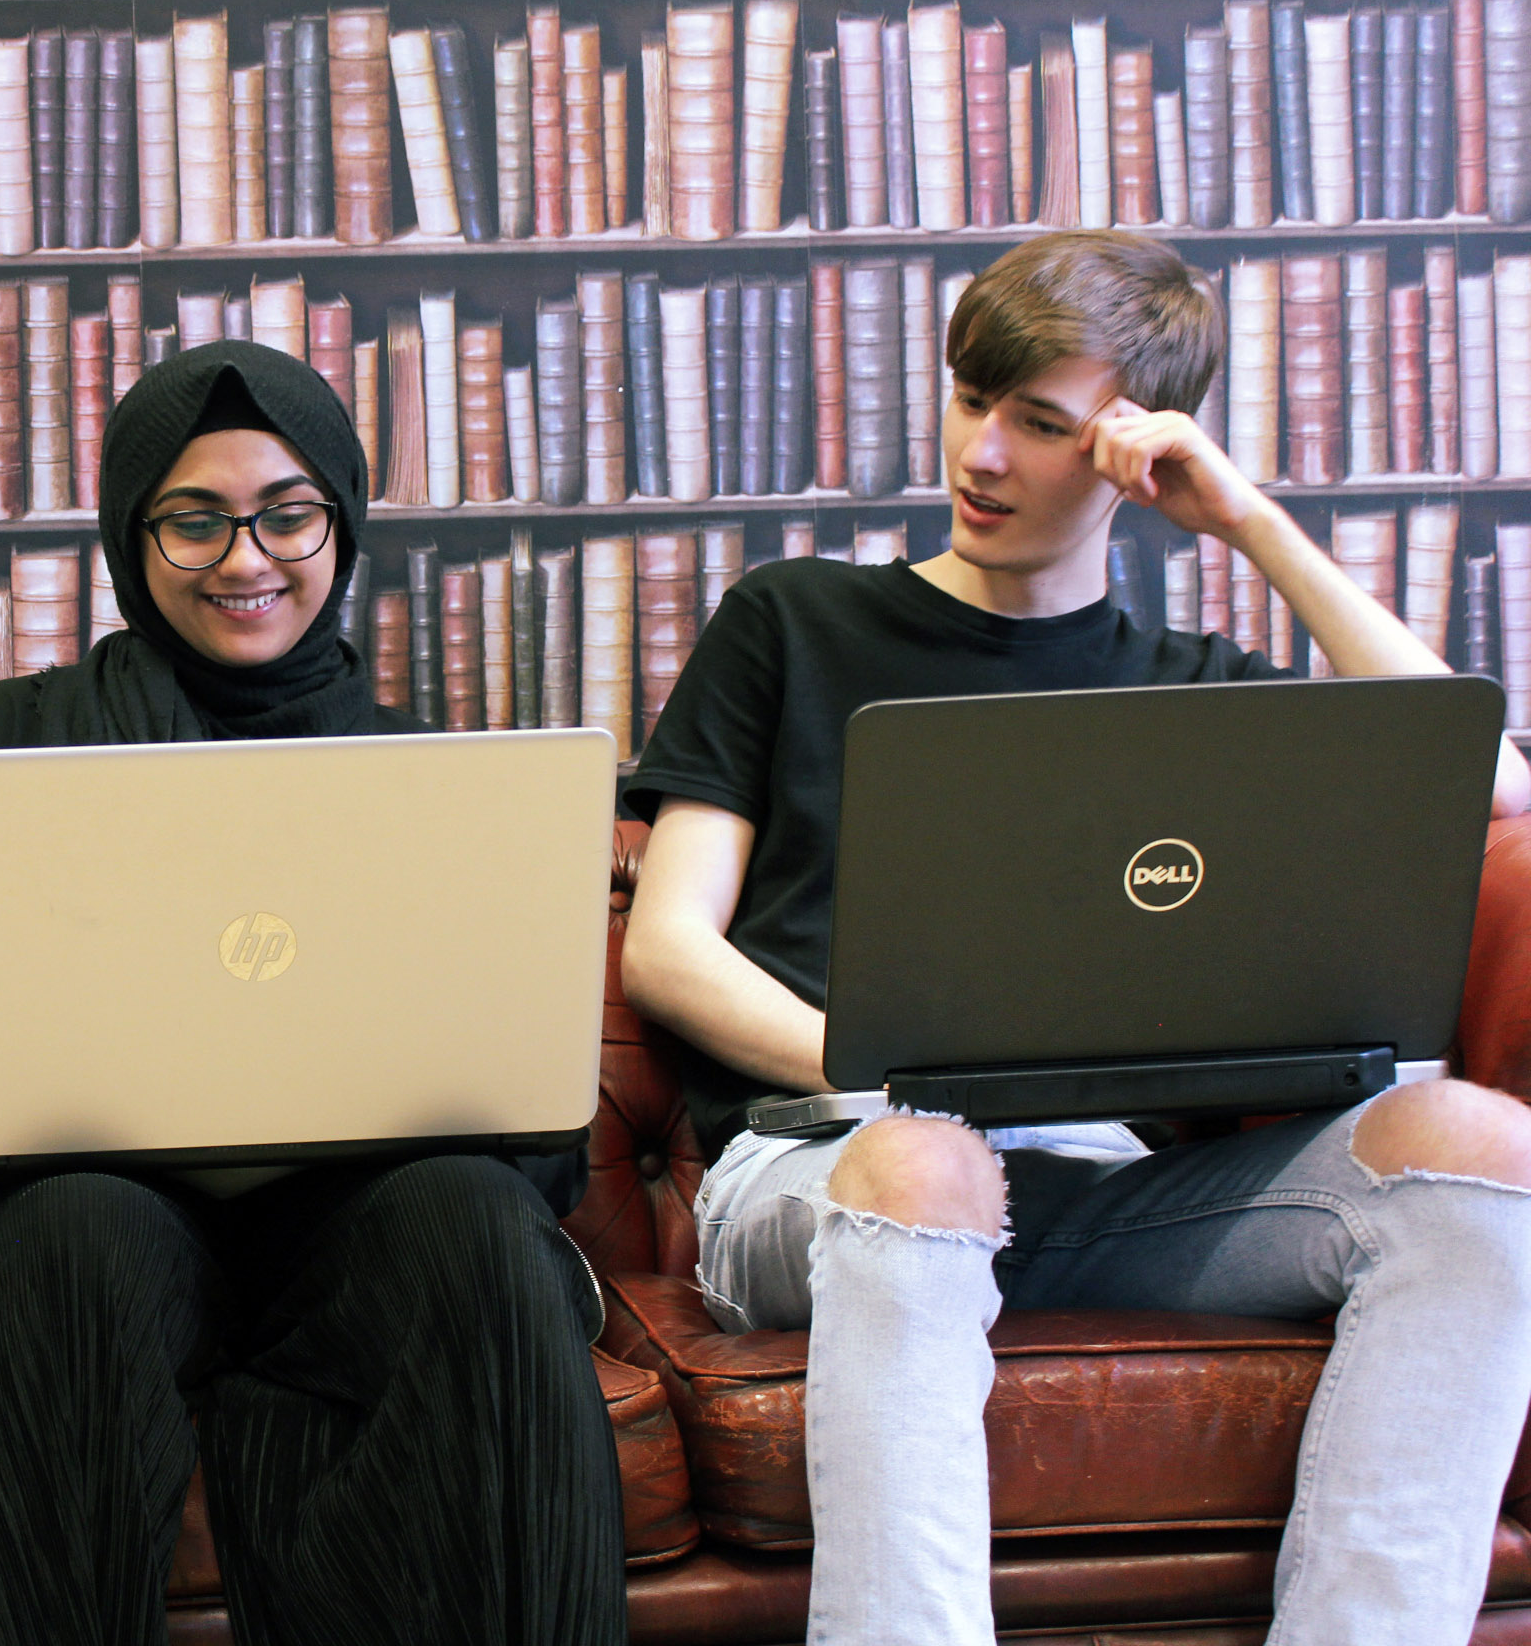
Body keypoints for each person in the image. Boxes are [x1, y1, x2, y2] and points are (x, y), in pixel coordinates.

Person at [616, 228, 1531, 1646]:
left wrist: (1252, 529)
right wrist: (897, 1083)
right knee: (925, 1161)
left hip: (1108, 1198)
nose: (981, 453)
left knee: (1482, 1152)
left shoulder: (1192, 694)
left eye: (1039, 424)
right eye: (971, 397)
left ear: (1131, 454)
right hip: (832, 1169)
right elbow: (669, 948)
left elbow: (1495, 784)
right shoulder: (793, 622)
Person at [0, 339, 626, 1646]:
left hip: (355, 1235)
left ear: (344, 522)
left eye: (288, 514)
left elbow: (538, 1132)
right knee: (83, 1225)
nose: (247, 560)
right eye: (194, 519)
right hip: (83, 1222)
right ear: (129, 537)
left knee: (477, 1221)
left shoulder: (434, 787)